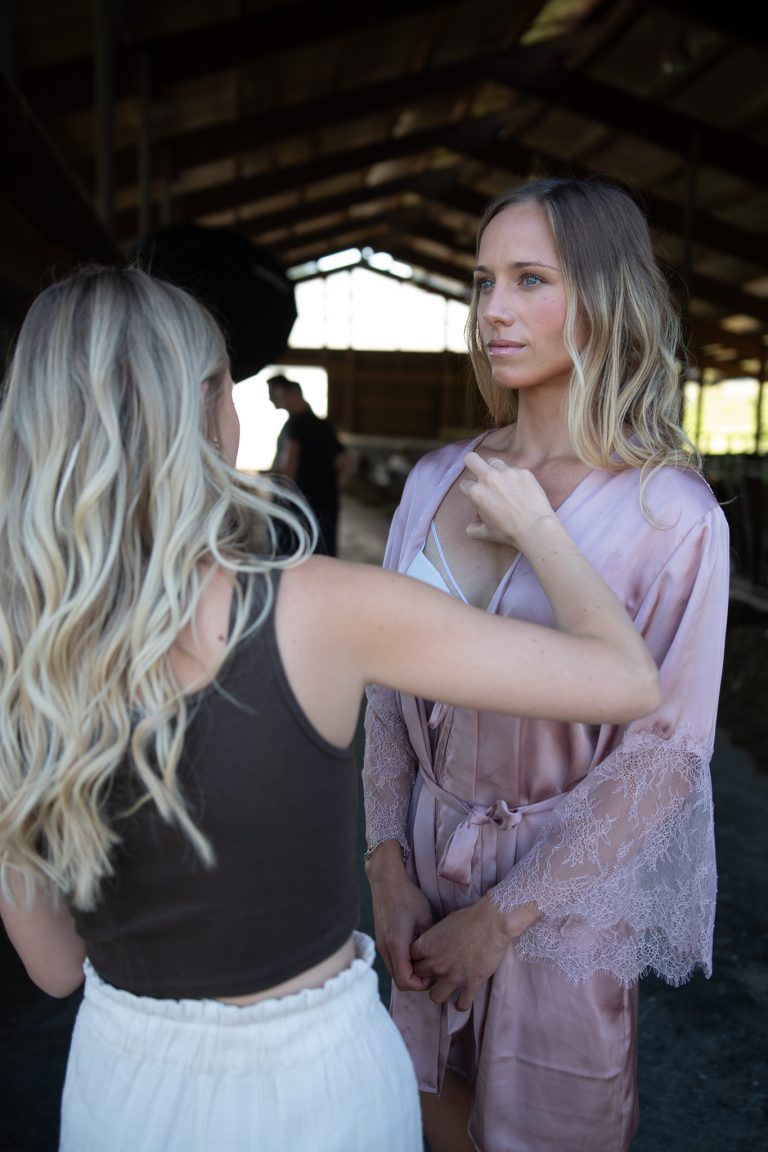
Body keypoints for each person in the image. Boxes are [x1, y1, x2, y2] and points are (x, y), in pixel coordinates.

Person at [0, 264, 660, 1152]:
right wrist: (539, 527)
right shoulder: (321, 607)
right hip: (317, 1088)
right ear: (208, 409)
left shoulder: (20, 657)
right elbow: (626, 680)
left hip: (122, 1088)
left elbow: (54, 967)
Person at [362, 176, 730, 1152]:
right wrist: (389, 871)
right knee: (425, 1122)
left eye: (531, 280)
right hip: (428, 888)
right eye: (484, 282)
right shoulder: (436, 480)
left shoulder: (673, 515)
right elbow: (388, 700)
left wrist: (502, 918)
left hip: (561, 908)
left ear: (605, 298)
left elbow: (665, 759)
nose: (494, 310)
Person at [267, 372, 353, 555]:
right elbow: (347, 461)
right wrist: (334, 490)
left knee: (296, 555)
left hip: (300, 502)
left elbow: (290, 460)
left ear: (291, 393)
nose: (272, 400)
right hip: (325, 504)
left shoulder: (296, 424)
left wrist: (284, 495)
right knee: (323, 553)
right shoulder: (324, 425)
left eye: (275, 395)